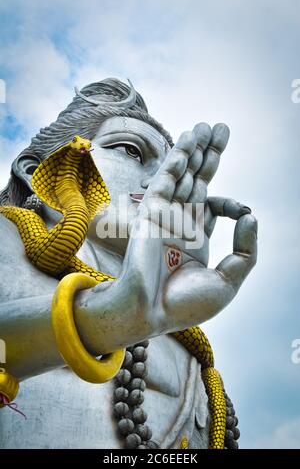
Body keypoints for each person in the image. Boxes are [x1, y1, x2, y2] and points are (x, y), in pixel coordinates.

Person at [0, 78, 257, 448]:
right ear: (35, 168)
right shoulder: (8, 244)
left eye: (172, 168)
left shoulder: (186, 339)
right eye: (131, 151)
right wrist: (105, 317)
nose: (157, 181)